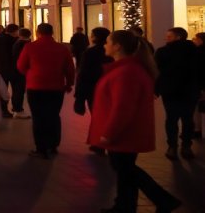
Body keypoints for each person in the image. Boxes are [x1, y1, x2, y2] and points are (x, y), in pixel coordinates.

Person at [89, 30, 182, 213]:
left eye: (108, 42)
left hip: (125, 133)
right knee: (125, 171)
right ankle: (125, 205)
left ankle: (163, 199)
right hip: (128, 131)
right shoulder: (128, 69)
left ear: (117, 46)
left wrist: (109, 133)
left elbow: (123, 107)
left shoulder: (126, 72)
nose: (105, 45)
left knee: (126, 169)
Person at [17, 23, 75, 159]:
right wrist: (69, 84)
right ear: (52, 32)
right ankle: (53, 144)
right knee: (53, 115)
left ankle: (41, 148)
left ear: (37, 33)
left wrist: (31, 74)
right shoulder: (62, 48)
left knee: (38, 117)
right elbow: (70, 68)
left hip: (35, 87)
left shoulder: (30, 47)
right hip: (56, 87)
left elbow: (20, 66)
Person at [154, 27, 200, 160]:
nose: (166, 38)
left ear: (178, 37)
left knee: (171, 119)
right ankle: (186, 146)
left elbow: (157, 72)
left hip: (170, 90)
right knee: (188, 118)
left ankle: (172, 147)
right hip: (190, 89)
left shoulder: (163, 52)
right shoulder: (194, 51)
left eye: (169, 36)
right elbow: (199, 71)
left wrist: (156, 89)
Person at [73, 27, 113, 155]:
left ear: (95, 37)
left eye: (92, 34)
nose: (90, 36)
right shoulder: (112, 52)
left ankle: (100, 143)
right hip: (110, 88)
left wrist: (79, 97)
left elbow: (83, 74)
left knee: (97, 116)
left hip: (93, 89)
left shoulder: (90, 53)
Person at [0, 24, 19, 118]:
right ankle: (16, 108)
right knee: (17, 89)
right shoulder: (15, 41)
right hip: (13, 69)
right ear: (14, 31)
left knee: (2, 89)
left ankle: (2, 109)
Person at [11, 28, 32, 119]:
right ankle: (18, 109)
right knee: (19, 90)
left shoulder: (17, 43)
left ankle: (16, 108)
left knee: (17, 90)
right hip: (21, 71)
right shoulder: (24, 45)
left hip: (16, 70)